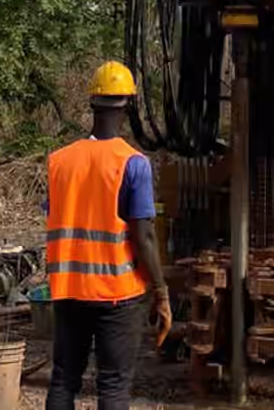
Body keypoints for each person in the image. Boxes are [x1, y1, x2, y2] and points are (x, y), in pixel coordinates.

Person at [45, 60, 173, 410]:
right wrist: (161, 292)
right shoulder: (133, 163)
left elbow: (58, 215)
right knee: (113, 385)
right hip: (117, 296)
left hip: (68, 290)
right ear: (128, 105)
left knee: (63, 379)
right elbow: (143, 237)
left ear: (91, 104)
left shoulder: (59, 161)